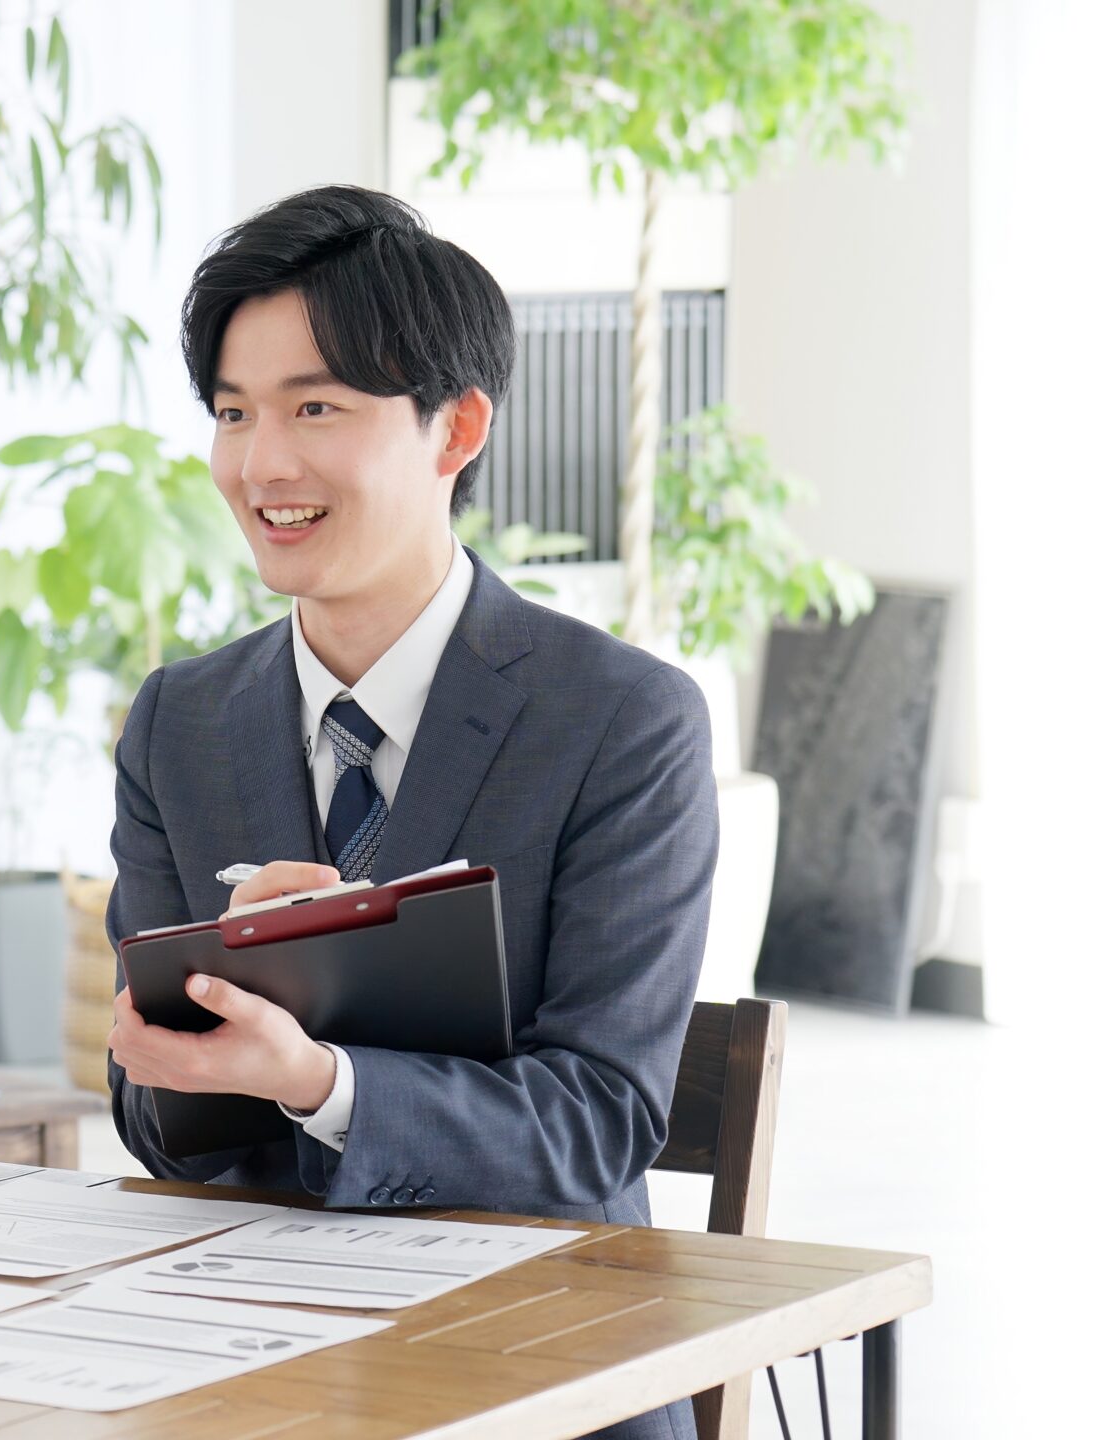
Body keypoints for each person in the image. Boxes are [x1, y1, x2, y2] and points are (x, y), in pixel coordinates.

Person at [104, 187, 715, 1440]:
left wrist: (324, 1077)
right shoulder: (182, 720)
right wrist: (185, 1053)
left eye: (314, 408)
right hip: (240, 1357)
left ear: (456, 429)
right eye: (233, 413)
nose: (261, 462)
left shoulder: (621, 720)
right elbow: (161, 1130)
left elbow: (597, 1122)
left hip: (542, 1369)